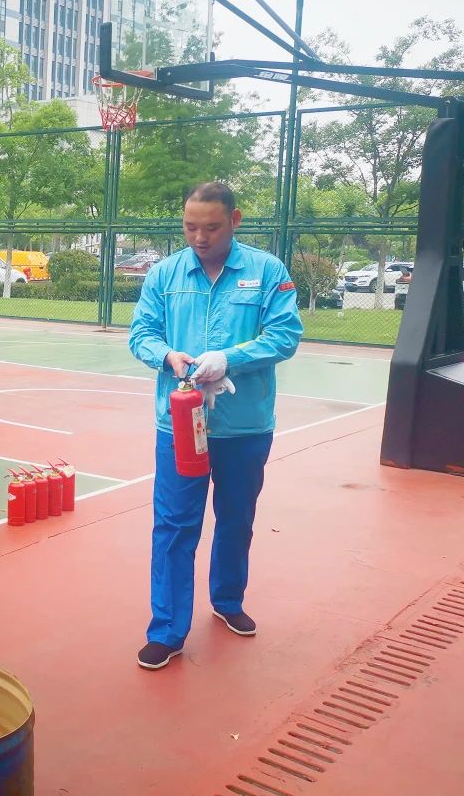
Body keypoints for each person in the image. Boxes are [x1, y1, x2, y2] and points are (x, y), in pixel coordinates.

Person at [128, 182, 302, 670]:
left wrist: (230, 358)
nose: (200, 238)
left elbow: (285, 335)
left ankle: (227, 599)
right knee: (174, 524)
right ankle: (167, 629)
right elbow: (142, 333)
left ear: (235, 220)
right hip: (180, 425)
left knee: (236, 517)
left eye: (212, 227)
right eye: (190, 227)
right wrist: (167, 355)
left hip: (244, 427)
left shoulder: (267, 271)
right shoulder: (165, 274)